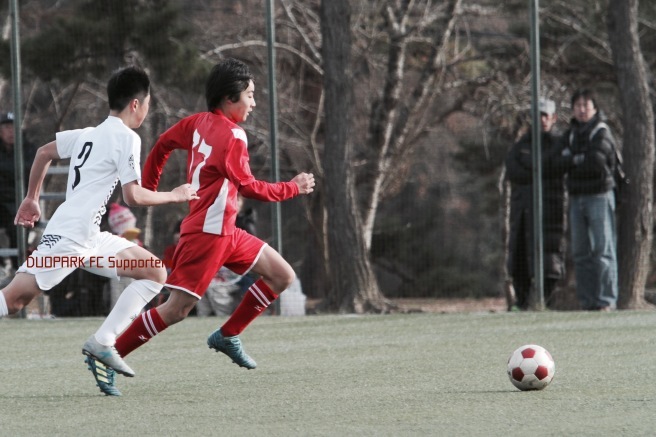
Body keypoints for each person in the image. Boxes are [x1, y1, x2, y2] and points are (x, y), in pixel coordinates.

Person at [95, 58, 314, 396]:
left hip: (227, 231)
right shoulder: (234, 137)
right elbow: (251, 187)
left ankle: (227, 335)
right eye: (250, 95)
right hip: (207, 236)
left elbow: (163, 144)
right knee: (175, 309)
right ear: (230, 98)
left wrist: (150, 188)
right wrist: (293, 187)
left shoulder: (198, 123)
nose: (253, 103)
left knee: (282, 276)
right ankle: (110, 355)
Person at [1, 66, 198, 395]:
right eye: (147, 104)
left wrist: (32, 198)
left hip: (90, 241)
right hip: (68, 240)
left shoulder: (87, 134)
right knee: (15, 299)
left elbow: (44, 152)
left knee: (152, 272)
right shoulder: (126, 138)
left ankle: (103, 342)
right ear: (136, 104)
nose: (146, 111)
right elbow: (133, 196)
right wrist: (175, 195)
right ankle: (103, 342)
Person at [505, 98, 567, 310]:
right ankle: (521, 303)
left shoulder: (559, 143)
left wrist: (536, 168)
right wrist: (538, 169)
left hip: (549, 211)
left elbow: (555, 167)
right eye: (537, 115)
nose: (541, 120)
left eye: (545, 115)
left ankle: (545, 302)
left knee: (549, 260)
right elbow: (513, 170)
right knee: (520, 257)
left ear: (553, 118)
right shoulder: (521, 145)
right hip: (523, 210)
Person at [561, 88, 618, 311]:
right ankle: (587, 302)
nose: (582, 109)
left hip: (599, 196)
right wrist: (576, 160)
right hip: (576, 198)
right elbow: (557, 161)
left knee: (603, 250)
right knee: (580, 253)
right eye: (578, 105)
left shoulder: (601, 132)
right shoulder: (570, 134)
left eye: (586, 105)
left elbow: (595, 162)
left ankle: (606, 301)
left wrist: (573, 160)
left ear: (595, 108)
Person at [0, 112, 36, 269]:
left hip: (20, 202)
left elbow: (26, 172)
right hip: (1, 202)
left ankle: (19, 269)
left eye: (14, 127)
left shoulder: (27, 149)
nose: (11, 132)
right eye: (7, 127)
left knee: (19, 228)